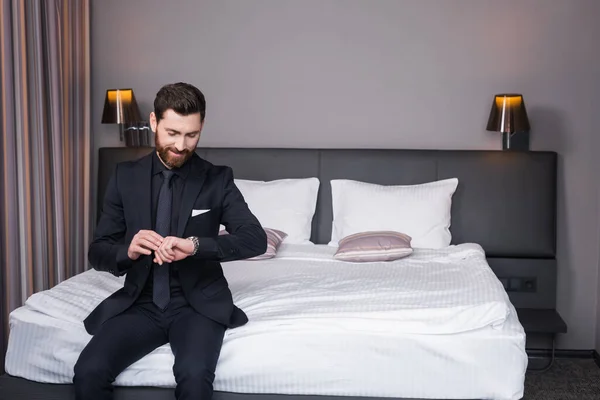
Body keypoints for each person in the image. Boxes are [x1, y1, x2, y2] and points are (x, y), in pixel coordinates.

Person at [73, 82, 267, 400]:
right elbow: (98, 251)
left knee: (194, 377)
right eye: (173, 133)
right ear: (154, 122)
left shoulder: (218, 179)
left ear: (201, 127)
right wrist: (129, 250)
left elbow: (254, 239)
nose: (181, 145)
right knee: (88, 372)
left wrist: (196, 246)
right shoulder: (124, 176)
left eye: (192, 135)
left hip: (197, 306)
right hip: (141, 304)